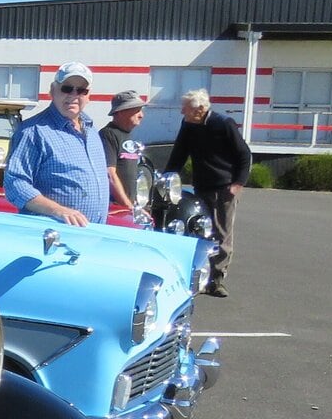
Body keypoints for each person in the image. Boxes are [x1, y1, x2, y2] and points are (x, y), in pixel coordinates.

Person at [165, 88, 253, 297]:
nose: (182, 112)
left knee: (222, 234)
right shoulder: (188, 125)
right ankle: (198, 276)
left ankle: (216, 280)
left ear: (200, 109)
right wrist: (167, 179)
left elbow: (244, 154)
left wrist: (238, 183)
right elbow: (179, 153)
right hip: (202, 186)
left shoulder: (223, 124)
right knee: (200, 230)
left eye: (185, 108)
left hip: (225, 188)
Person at [3, 62, 110, 226]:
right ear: (52, 91)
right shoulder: (33, 132)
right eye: (67, 88)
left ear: (88, 96)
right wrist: (58, 211)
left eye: (81, 90)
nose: (73, 95)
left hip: (92, 233)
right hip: (52, 235)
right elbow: (15, 184)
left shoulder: (92, 131)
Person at [97, 90, 149, 212]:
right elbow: (109, 174)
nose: (141, 115)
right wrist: (129, 206)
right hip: (113, 208)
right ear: (121, 112)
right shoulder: (108, 134)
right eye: (137, 110)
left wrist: (134, 206)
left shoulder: (127, 135)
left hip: (128, 207)